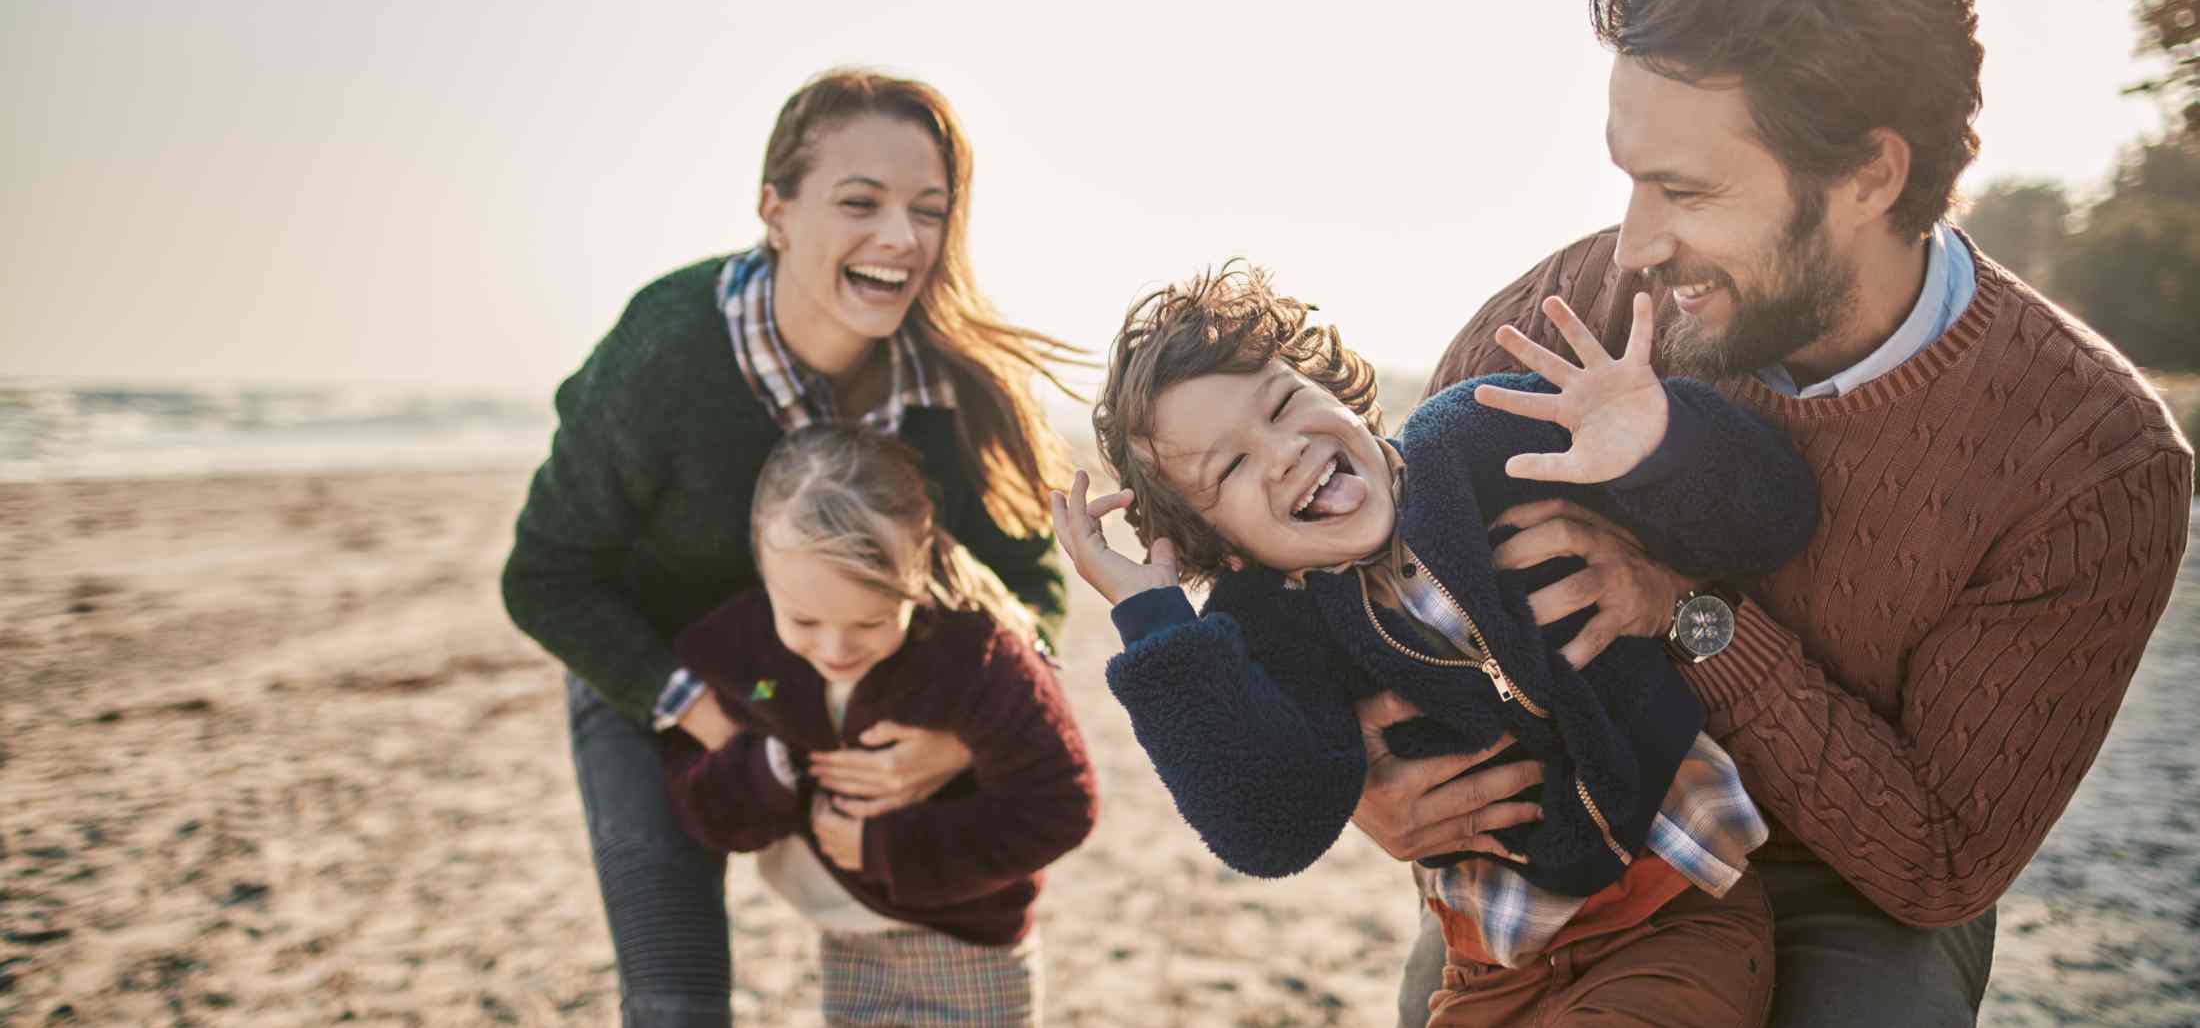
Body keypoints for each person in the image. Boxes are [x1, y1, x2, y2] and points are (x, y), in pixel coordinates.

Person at [1364, 0, 2195, 1027]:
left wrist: (1688, 613)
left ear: (1869, 175)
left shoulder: (2092, 461)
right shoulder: (1572, 312)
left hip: (1851, 884)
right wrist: (1368, 777)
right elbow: (1350, 565)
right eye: (1628, 179)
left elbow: (1938, 860)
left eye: (1685, 189)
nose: (1635, 243)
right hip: (1581, 845)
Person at [1051, 262, 1820, 1025]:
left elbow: (1775, 513)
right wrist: (1155, 621)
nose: (1282, 450)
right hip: (1489, 963)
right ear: (1224, 549)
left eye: (1283, 403)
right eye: (1232, 465)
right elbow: (1270, 823)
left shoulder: (1476, 438)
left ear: (1336, 391)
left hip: (1670, 904)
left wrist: (1658, 441)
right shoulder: (1274, 625)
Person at [502, 68, 1078, 1026]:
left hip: (851, 683)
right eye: (861, 202)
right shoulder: (668, 346)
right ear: (776, 210)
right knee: (676, 998)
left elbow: (1027, 581)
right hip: (655, 672)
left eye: (928, 210)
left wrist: (958, 738)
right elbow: (544, 576)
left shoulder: (954, 381)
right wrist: (718, 724)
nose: (902, 237)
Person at [663, 423, 1098, 1026]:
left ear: (917, 572)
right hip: (842, 941)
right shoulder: (743, 651)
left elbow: (1062, 804)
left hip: (972, 947)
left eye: (870, 623)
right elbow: (700, 801)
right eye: (804, 622)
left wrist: (888, 848)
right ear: (762, 570)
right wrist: (767, 768)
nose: (835, 648)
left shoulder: (976, 655)